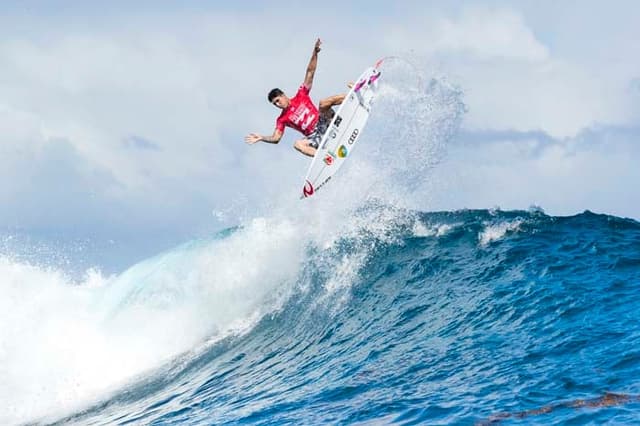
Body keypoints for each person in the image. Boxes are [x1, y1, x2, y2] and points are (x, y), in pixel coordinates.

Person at [245, 38, 346, 158]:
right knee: (297, 144)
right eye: (274, 104)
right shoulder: (282, 119)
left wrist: (315, 53)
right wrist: (262, 137)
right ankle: (324, 157)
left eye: (277, 100)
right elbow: (276, 138)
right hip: (316, 136)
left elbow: (310, 72)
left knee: (323, 103)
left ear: (283, 95)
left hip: (325, 122)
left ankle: (356, 93)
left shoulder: (301, 95)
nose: (278, 104)